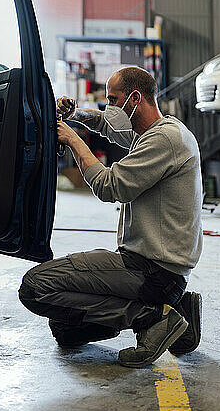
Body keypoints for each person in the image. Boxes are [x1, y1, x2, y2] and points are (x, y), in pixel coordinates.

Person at [19, 66, 203, 368]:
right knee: (65, 330)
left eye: (113, 99)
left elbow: (109, 186)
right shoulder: (159, 130)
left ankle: (154, 317)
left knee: (36, 288)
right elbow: (107, 124)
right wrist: (75, 114)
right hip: (160, 268)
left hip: (152, 270)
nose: (109, 106)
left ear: (134, 98)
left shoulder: (164, 141)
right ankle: (179, 313)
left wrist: (74, 140)